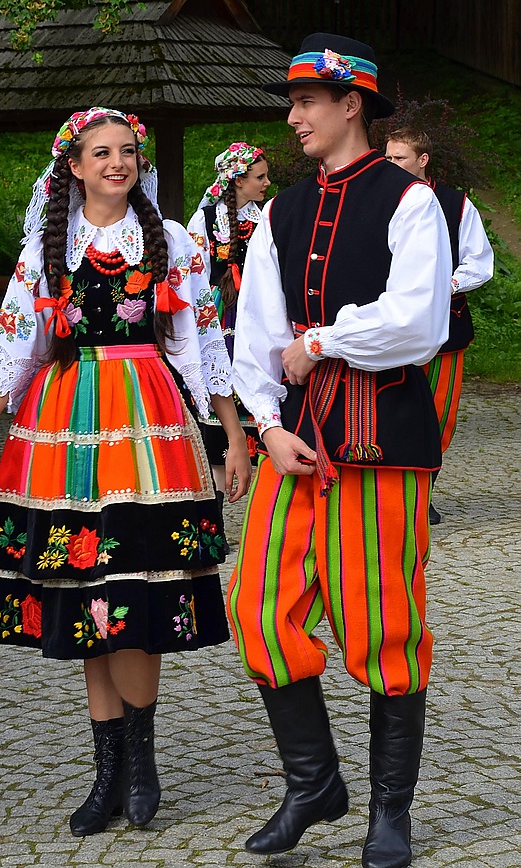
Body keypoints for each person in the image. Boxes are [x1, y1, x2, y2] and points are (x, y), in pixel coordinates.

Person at [0, 107, 251, 838]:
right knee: (87, 594)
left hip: (148, 427)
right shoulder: (46, 248)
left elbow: (201, 343)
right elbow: (13, 354)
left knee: (135, 587)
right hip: (66, 430)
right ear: (73, 167)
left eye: (127, 151)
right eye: (101, 153)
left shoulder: (172, 242)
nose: (117, 162)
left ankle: (141, 763)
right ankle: (107, 771)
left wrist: (233, 437)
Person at [227, 34, 452, 868]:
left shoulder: (410, 202)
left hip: (381, 442)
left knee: (383, 624)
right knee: (258, 612)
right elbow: (255, 332)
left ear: (351, 103)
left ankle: (391, 813)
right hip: (296, 441)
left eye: (306, 103)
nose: (294, 119)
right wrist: (266, 425)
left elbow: (417, 323)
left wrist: (319, 340)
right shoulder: (281, 212)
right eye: (292, 104)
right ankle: (314, 782)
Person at [385, 127, 494, 524]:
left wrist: (445, 284)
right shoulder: (377, 198)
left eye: (399, 158)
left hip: (446, 326)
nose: (390, 165)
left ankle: (423, 491)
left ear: (422, 159)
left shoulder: (456, 204)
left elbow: (479, 262)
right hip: (389, 325)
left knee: (438, 412)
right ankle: (392, 491)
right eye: (387, 157)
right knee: (391, 407)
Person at [187, 142, 271, 537]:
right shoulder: (205, 220)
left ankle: (268, 515)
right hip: (219, 315)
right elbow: (193, 273)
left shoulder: (266, 219)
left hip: (257, 313)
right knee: (218, 402)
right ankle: (215, 519)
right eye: (260, 177)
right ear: (237, 180)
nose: (266, 183)